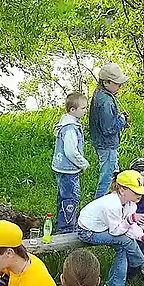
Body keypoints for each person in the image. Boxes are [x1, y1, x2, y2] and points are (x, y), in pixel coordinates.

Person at [76, 170, 144, 286]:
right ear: (123, 190)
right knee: (124, 240)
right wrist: (131, 219)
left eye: (140, 191)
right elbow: (116, 231)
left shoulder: (131, 204)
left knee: (124, 247)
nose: (140, 195)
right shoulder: (112, 205)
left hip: (106, 228)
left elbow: (129, 227)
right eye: (136, 192)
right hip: (88, 232)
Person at [88, 63, 129, 199]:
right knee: (107, 178)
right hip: (107, 144)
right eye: (117, 83)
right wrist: (122, 120)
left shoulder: (100, 94)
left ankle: (111, 202)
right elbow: (108, 128)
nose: (119, 86)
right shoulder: (106, 101)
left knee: (113, 175)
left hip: (102, 142)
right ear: (106, 82)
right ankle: (99, 204)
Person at [51, 92, 91, 233]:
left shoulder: (66, 123)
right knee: (70, 198)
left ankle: (60, 222)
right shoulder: (70, 128)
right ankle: (66, 228)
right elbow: (71, 152)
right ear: (72, 110)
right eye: (83, 108)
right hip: (68, 170)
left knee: (63, 196)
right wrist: (83, 163)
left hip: (61, 167)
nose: (85, 111)